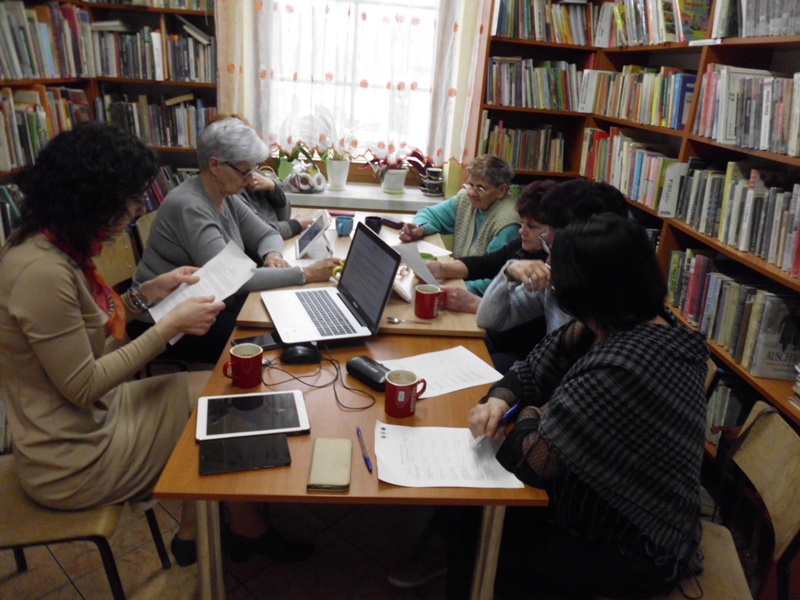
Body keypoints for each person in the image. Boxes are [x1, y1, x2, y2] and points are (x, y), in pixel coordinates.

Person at [0, 123, 312, 569]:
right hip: (72, 457)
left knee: (221, 393)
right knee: (221, 412)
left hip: (93, 416)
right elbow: (83, 385)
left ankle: (205, 531)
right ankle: (233, 531)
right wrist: (166, 329)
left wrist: (146, 295)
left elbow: (90, 333)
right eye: (129, 200)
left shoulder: (52, 247)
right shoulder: (42, 273)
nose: (136, 210)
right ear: (90, 199)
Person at [458, 214, 709, 599]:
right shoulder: (626, 321)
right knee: (472, 511)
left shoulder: (625, 365)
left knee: (480, 532)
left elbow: (531, 461)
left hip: (638, 541)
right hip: (615, 502)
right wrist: (499, 398)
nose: (551, 278)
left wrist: (534, 412)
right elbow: (532, 369)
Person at [132, 116, 339, 364]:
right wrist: (305, 274)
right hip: (164, 324)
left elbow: (268, 234)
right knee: (270, 342)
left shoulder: (226, 195)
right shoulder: (190, 206)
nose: (250, 178)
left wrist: (272, 255)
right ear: (215, 165)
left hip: (204, 308)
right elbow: (233, 278)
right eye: (244, 171)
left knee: (279, 324)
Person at [476, 179, 629, 349]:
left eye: (552, 247)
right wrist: (508, 273)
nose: (547, 260)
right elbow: (489, 320)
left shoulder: (618, 314)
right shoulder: (553, 276)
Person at [425, 179, 554, 314]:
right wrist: (444, 269)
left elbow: (526, 318)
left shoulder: (554, 266)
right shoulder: (522, 246)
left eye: (532, 227)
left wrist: (473, 303)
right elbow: (485, 263)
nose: (522, 231)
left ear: (554, 229)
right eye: (523, 223)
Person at [398, 155, 521, 296]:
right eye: (470, 185)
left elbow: (495, 282)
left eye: (480, 188)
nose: (472, 193)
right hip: (459, 280)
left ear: (501, 190)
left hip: (478, 298)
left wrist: (449, 286)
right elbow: (429, 214)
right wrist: (420, 228)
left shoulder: (508, 225)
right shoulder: (467, 199)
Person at [207, 113, 315, 239]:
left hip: (272, 245)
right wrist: (296, 224)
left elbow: (284, 216)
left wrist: (273, 188)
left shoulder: (251, 174)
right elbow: (260, 232)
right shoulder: (231, 188)